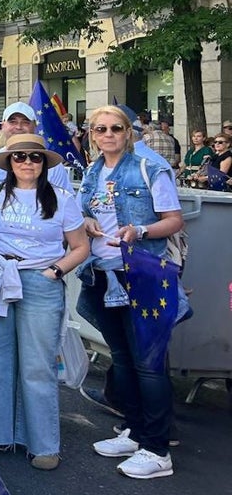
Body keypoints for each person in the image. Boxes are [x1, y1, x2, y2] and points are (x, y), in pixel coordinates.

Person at [0, 134, 88, 471]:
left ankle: (43, 444)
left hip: (39, 280)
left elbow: (80, 246)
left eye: (34, 158)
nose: (26, 163)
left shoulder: (63, 198)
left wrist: (55, 270)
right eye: (19, 156)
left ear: (43, 163)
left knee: (38, 365)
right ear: (9, 162)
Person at [78, 105, 183, 480]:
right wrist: (87, 220)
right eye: (100, 129)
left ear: (128, 132)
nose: (108, 135)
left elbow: (173, 220)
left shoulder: (149, 168)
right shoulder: (92, 171)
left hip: (140, 274)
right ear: (92, 134)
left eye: (115, 128)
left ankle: (157, 448)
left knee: (148, 363)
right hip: (102, 274)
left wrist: (138, 230)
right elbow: (88, 215)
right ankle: (136, 431)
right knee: (121, 358)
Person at [0, 102, 72, 186]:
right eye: (12, 122)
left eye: (25, 122)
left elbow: (65, 196)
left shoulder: (53, 166)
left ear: (35, 125)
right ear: (2, 125)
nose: (19, 127)